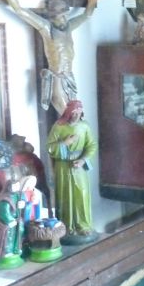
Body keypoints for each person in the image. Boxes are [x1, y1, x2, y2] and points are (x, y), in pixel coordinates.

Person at [0, 0, 99, 115]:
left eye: (66, 15)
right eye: (61, 16)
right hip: (56, 76)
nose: (65, 19)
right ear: (52, 17)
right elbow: (20, 11)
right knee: (65, 111)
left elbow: (87, 14)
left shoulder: (69, 27)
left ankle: (72, 125)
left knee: (74, 111)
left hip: (69, 76)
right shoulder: (47, 28)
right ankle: (67, 125)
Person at [46, 100, 97, 244]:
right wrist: (64, 143)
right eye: (73, 112)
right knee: (65, 196)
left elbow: (92, 145)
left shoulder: (84, 126)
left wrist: (83, 160)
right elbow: (49, 147)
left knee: (82, 194)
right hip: (63, 167)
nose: (76, 115)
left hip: (79, 167)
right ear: (68, 112)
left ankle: (83, 225)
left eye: (78, 112)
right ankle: (66, 227)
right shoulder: (58, 127)